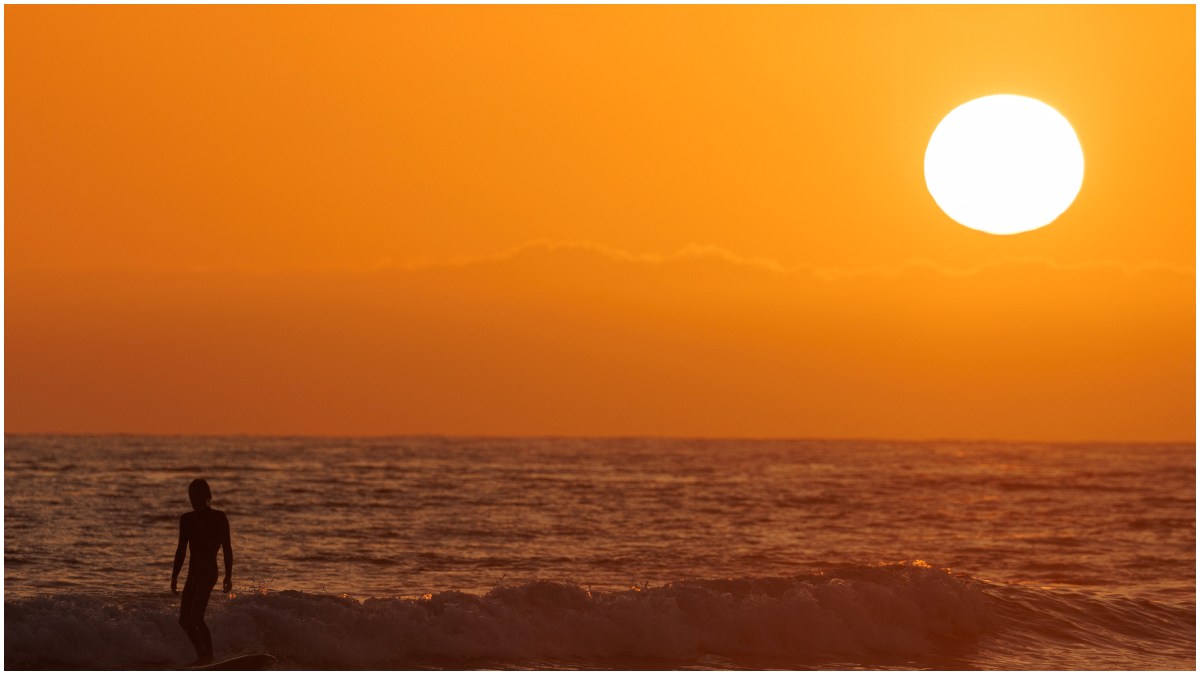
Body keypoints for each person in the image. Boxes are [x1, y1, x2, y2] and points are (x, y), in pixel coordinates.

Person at [171, 478, 233, 666]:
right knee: (184, 620)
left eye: (196, 496)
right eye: (190, 497)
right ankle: (203, 656)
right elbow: (181, 550)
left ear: (206, 497)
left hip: (208, 573)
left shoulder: (219, 518)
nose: (192, 500)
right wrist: (174, 576)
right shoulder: (187, 519)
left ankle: (209, 656)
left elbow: (227, 548)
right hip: (193, 574)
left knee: (196, 616)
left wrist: (228, 575)